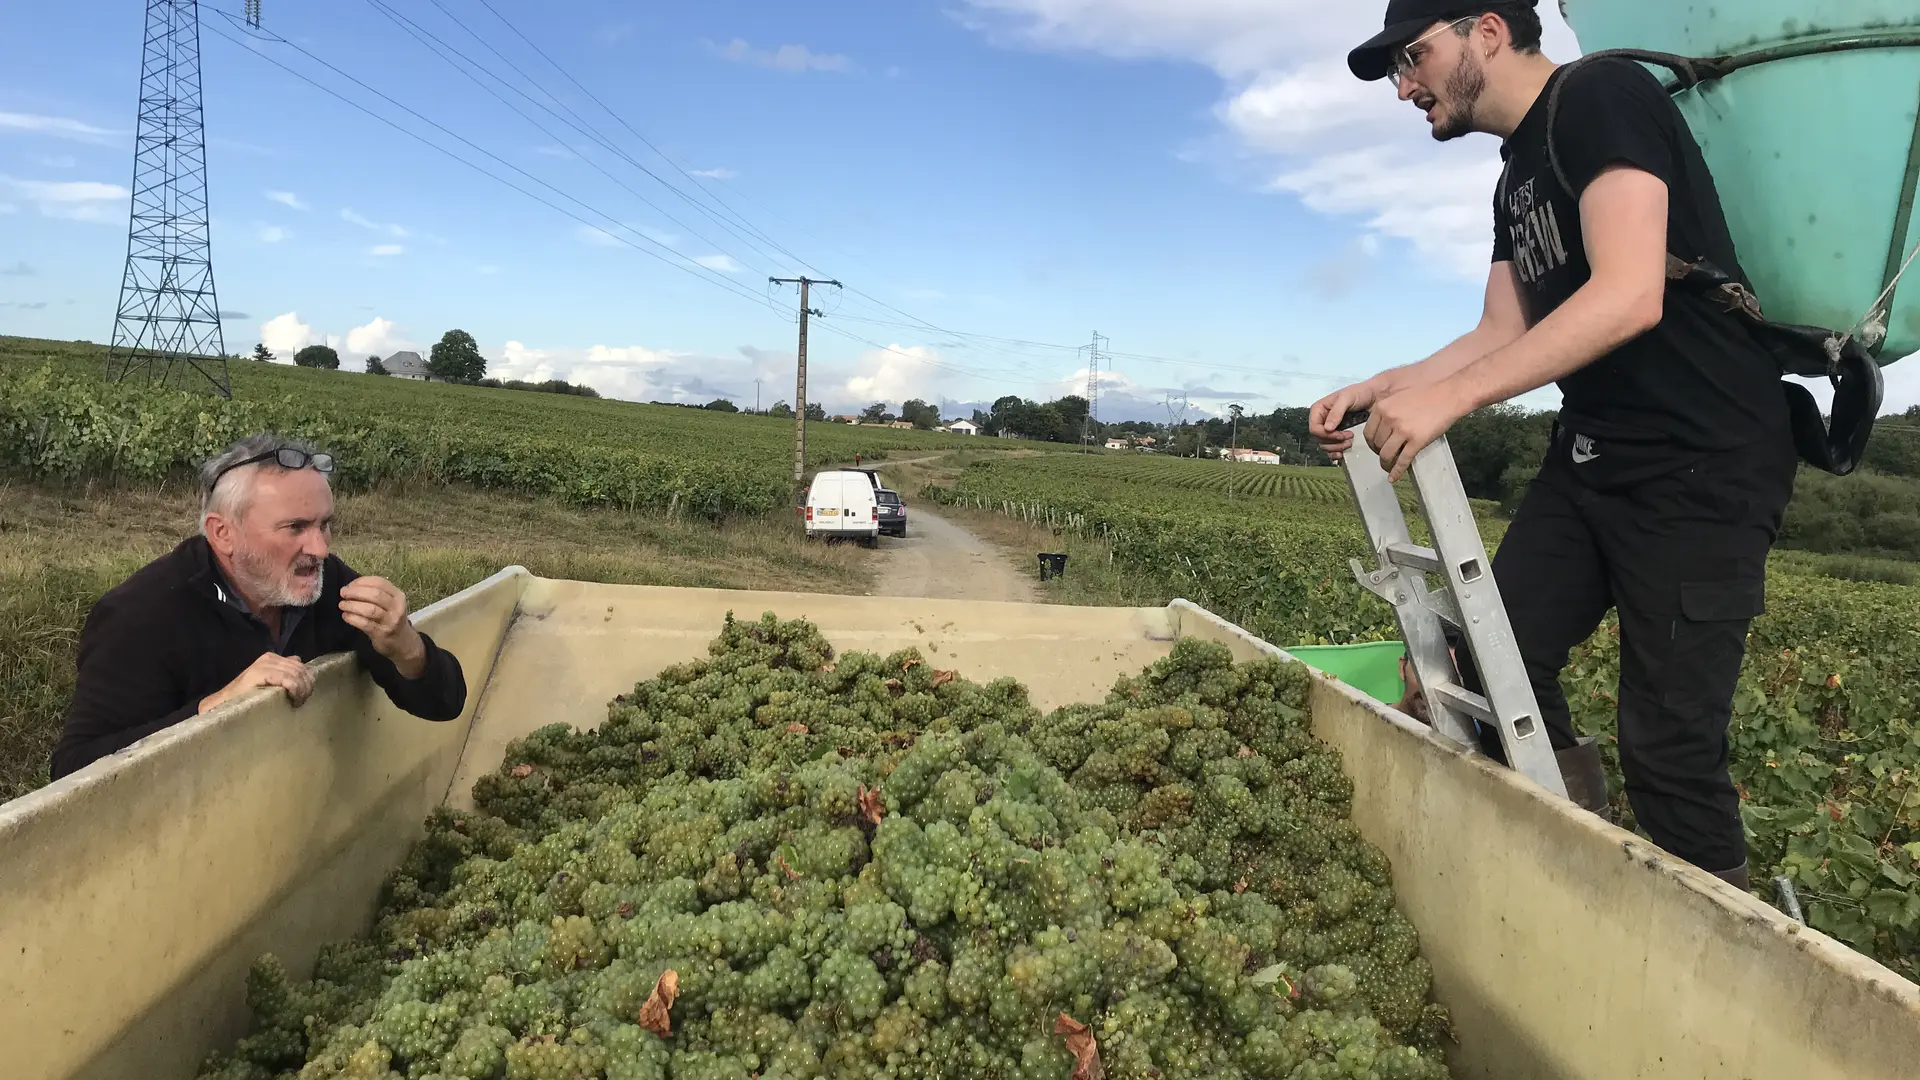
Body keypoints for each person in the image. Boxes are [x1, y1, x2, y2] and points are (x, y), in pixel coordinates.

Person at [1313, 1, 1798, 891]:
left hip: (1703, 462)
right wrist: (1384, 386)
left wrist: (1451, 400)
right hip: (1597, 454)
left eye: (1413, 57)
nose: (1404, 86)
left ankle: (1731, 972)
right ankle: (1570, 869)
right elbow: (1502, 328)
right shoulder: (1515, 175)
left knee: (1668, 748)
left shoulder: (1600, 98)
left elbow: (1629, 295)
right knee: (1492, 668)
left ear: (1486, 33)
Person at [50, 433, 468, 780]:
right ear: (223, 534)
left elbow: (444, 706)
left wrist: (408, 648)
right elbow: (73, 771)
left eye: (325, 525)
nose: (321, 548)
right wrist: (217, 707)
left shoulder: (330, 586)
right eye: (295, 528)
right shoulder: (141, 617)